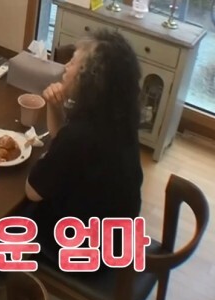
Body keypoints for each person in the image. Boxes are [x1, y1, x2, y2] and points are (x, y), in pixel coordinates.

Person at [24, 29, 144, 267]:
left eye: (72, 62)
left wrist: (47, 155)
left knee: (10, 212)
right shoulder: (117, 119)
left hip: (83, 253)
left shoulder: (81, 135)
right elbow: (63, 142)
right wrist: (54, 107)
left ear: (88, 79)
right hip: (115, 241)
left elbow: (33, 191)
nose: (65, 67)